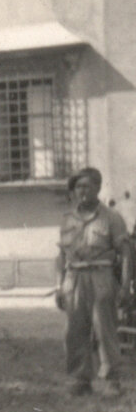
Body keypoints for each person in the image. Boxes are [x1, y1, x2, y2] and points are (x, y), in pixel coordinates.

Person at [56, 166, 132, 396]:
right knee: (75, 330)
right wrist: (58, 286)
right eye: (78, 187)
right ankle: (79, 379)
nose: (82, 191)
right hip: (73, 278)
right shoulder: (67, 219)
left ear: (98, 188)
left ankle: (112, 380)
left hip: (101, 275)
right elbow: (61, 256)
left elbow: (126, 253)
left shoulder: (112, 218)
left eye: (87, 186)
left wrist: (126, 286)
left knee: (104, 329)